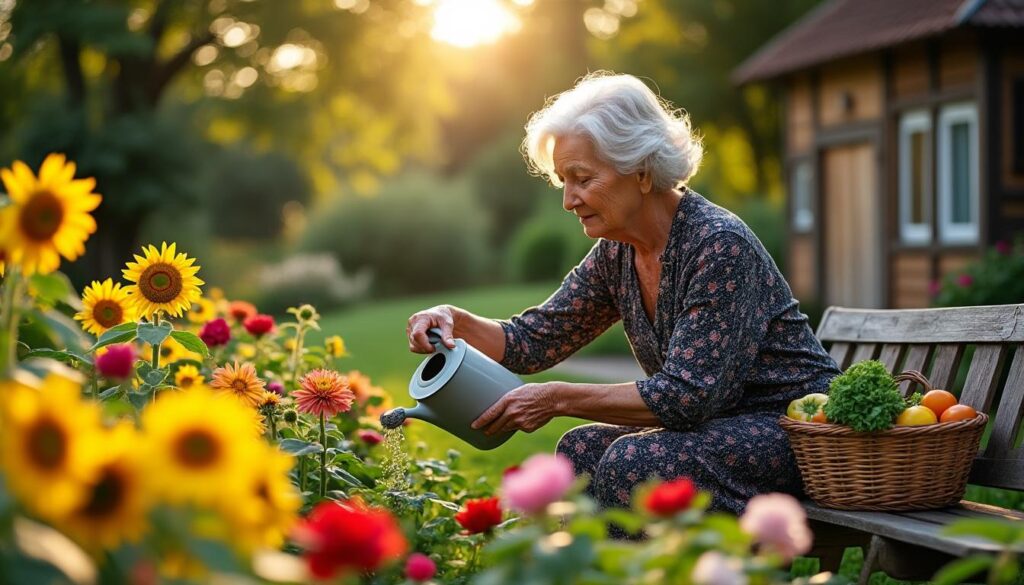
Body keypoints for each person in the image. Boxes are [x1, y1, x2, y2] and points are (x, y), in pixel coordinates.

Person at [406, 72, 840, 515]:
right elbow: (533, 340)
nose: (568, 200)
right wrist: (454, 320)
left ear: (642, 171)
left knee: (634, 461)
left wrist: (558, 397)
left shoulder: (717, 244)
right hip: (719, 430)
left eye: (582, 178)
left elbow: (685, 398)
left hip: (801, 432)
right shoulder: (616, 254)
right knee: (581, 451)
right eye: (563, 182)